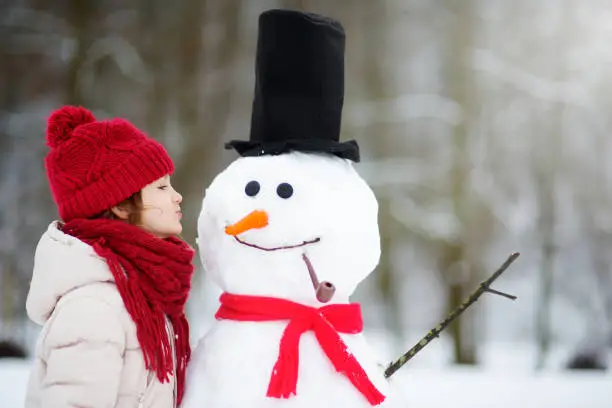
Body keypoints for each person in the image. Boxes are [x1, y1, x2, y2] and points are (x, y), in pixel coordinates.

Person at [24, 106, 195, 408]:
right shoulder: (93, 308)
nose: (176, 196)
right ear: (120, 205)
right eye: (161, 186)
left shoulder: (143, 296)